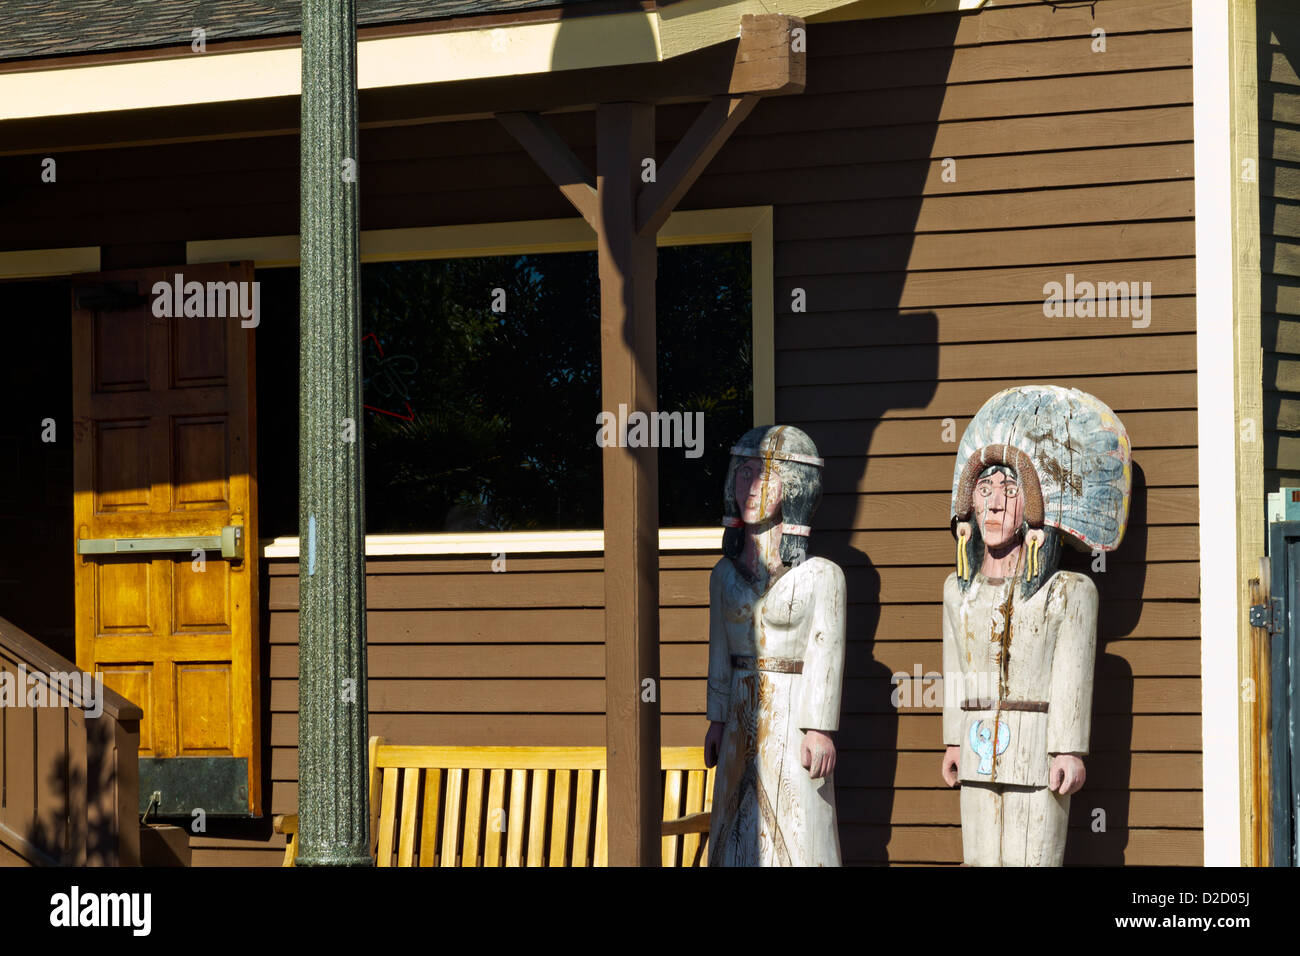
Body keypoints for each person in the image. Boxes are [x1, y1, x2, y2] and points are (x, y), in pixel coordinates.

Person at [939, 385, 1130, 866]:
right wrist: (952, 739)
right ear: (969, 504)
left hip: (1038, 751)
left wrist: (1068, 749)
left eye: (1009, 490)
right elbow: (956, 668)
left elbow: (1070, 675)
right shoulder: (957, 591)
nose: (995, 505)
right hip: (978, 744)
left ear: (1035, 505)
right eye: (984, 490)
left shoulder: (1069, 591)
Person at [703, 425, 845, 866]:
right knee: (732, 821)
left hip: (794, 713)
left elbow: (826, 650)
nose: (751, 488)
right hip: (740, 713)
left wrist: (820, 728)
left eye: (765, 477)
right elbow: (719, 655)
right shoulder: (723, 577)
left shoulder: (822, 576)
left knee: (798, 823)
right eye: (744, 474)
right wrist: (716, 719)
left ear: (796, 488)